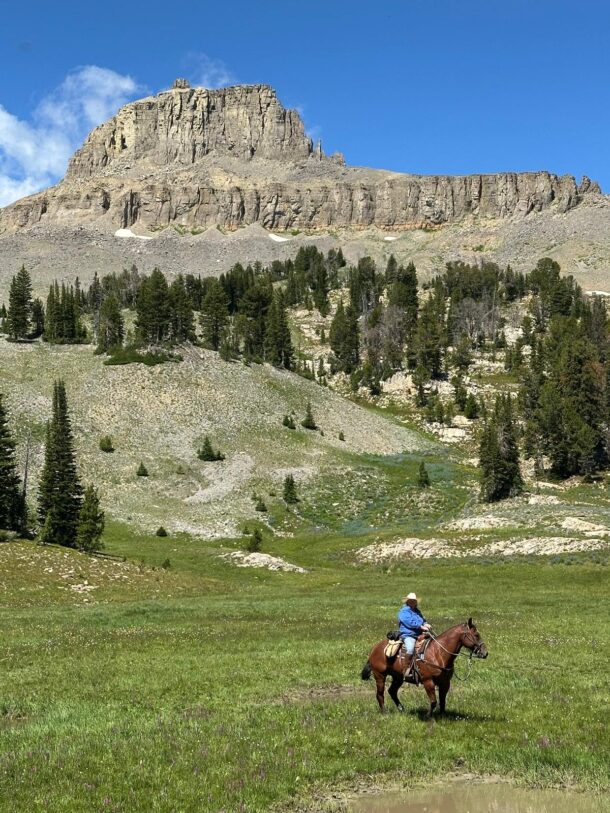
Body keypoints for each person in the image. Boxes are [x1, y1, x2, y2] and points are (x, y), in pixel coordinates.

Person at [398, 592, 431, 676]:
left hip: (419, 634)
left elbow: (422, 619)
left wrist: (425, 623)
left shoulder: (417, 611)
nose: (413, 602)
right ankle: (406, 669)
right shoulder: (404, 611)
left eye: (414, 601)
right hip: (408, 634)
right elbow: (409, 622)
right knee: (410, 648)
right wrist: (420, 626)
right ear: (407, 602)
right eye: (411, 601)